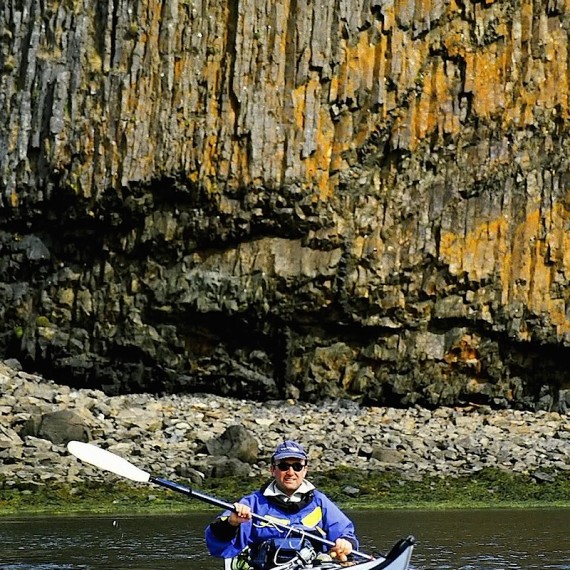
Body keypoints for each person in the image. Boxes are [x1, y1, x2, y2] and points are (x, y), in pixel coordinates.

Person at [205, 440, 359, 567]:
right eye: (284, 466)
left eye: (297, 466)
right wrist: (232, 523)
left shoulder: (320, 502)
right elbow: (217, 547)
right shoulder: (252, 503)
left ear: (305, 470)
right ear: (273, 470)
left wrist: (345, 544)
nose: (291, 472)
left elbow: (345, 533)